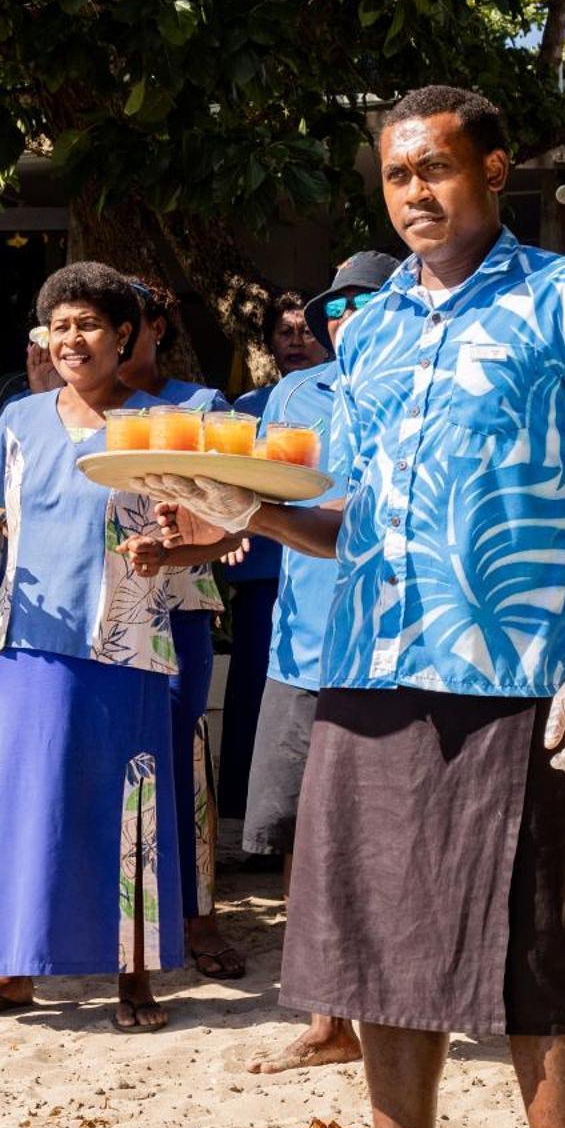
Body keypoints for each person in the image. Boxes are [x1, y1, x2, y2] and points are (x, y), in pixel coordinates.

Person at [151, 85, 565, 1128]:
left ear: (490, 168)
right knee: (371, 947)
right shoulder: (369, 326)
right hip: (367, 670)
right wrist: (249, 513)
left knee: (530, 956)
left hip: (511, 675)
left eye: (433, 168)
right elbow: (355, 520)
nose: (414, 194)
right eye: (395, 175)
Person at [0, 261, 212, 1032]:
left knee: (129, 812)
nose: (72, 338)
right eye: (61, 325)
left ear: (124, 336)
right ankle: (10, 973)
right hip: (24, 647)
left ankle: (135, 978)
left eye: (89, 324)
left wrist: (169, 554)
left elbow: (213, 535)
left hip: (129, 647)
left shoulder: (162, 424)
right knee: (22, 811)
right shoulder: (17, 420)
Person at [239, 249, 397, 1075]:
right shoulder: (294, 395)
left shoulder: (425, 391)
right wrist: (204, 525)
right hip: (303, 648)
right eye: (336, 307)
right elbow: (257, 497)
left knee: (388, 837)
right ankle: (327, 1017)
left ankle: (395, 1003)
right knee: (301, 834)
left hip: (401, 648)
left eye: (363, 302)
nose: (344, 319)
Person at [123, 273, 243, 982]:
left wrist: (196, 531)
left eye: (126, 318)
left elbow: (238, 512)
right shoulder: (64, 406)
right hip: (89, 617)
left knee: (181, 762)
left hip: (178, 607)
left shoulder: (199, 406)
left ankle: (200, 919)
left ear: (156, 326)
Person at [216, 292, 330, 831]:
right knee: (257, 694)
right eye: (284, 333)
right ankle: (250, 815)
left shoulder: (351, 397)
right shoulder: (249, 410)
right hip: (267, 577)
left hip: (330, 574)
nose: (295, 341)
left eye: (303, 330)